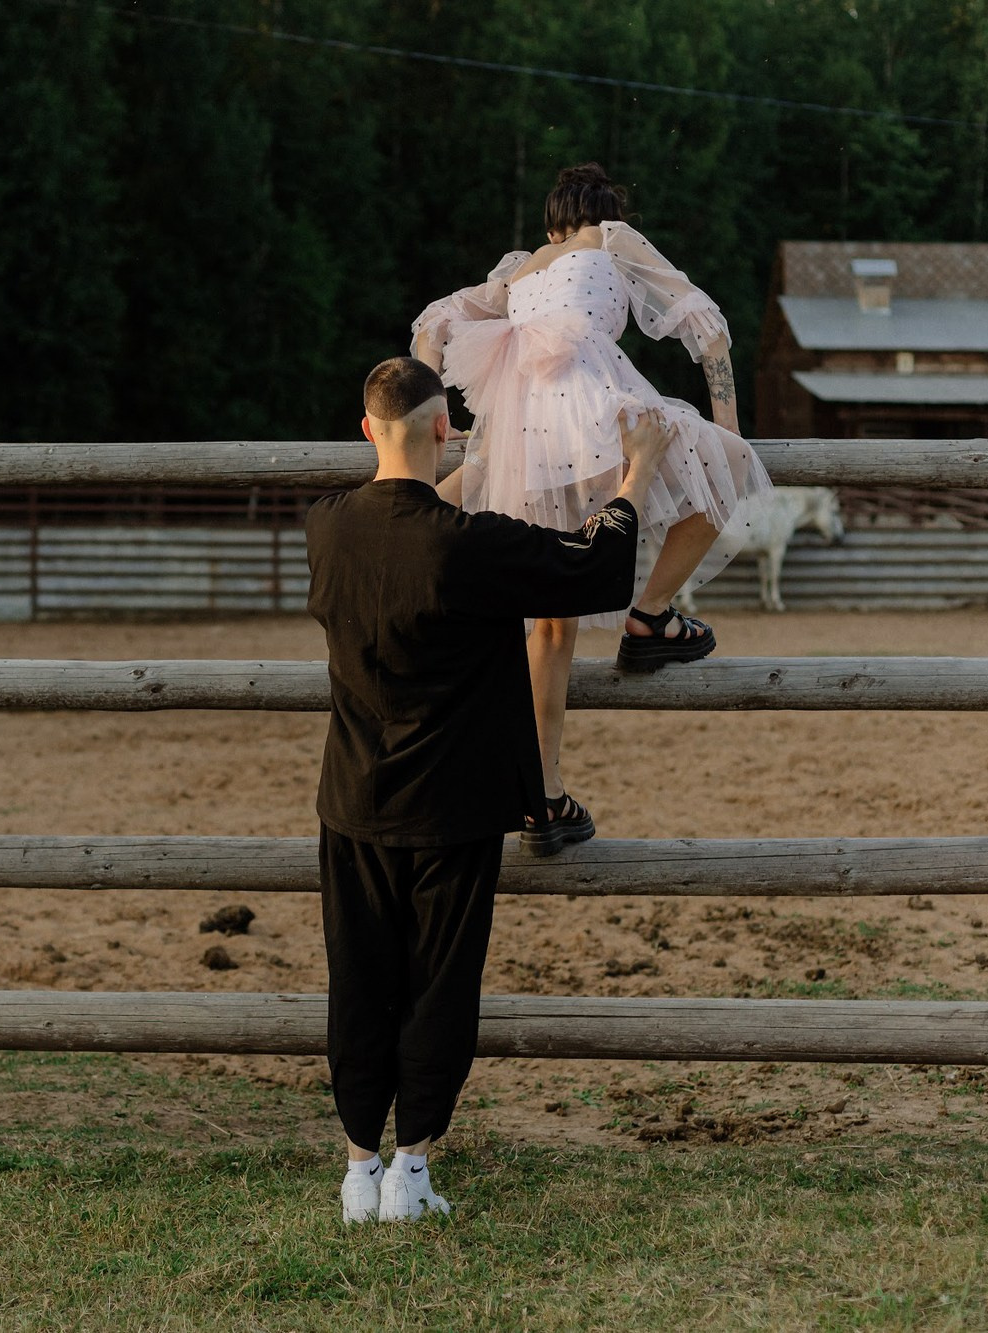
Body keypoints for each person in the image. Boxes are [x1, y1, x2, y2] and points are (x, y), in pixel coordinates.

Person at [305, 356, 672, 1224]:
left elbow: (406, 520)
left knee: (358, 980)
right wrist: (639, 471)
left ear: (367, 430)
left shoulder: (327, 526)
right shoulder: (471, 546)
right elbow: (595, 565)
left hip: (352, 798)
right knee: (439, 983)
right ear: (444, 428)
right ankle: (411, 1169)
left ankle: (359, 1169)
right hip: (452, 805)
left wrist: (471, 463)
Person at [412, 162, 770, 853]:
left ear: (552, 223)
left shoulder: (520, 268)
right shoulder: (612, 238)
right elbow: (706, 325)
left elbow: (435, 321)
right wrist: (729, 427)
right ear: (603, 214)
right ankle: (650, 614)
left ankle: (543, 800)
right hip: (589, 409)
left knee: (551, 626)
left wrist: (439, 416)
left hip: (522, 434)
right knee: (726, 466)